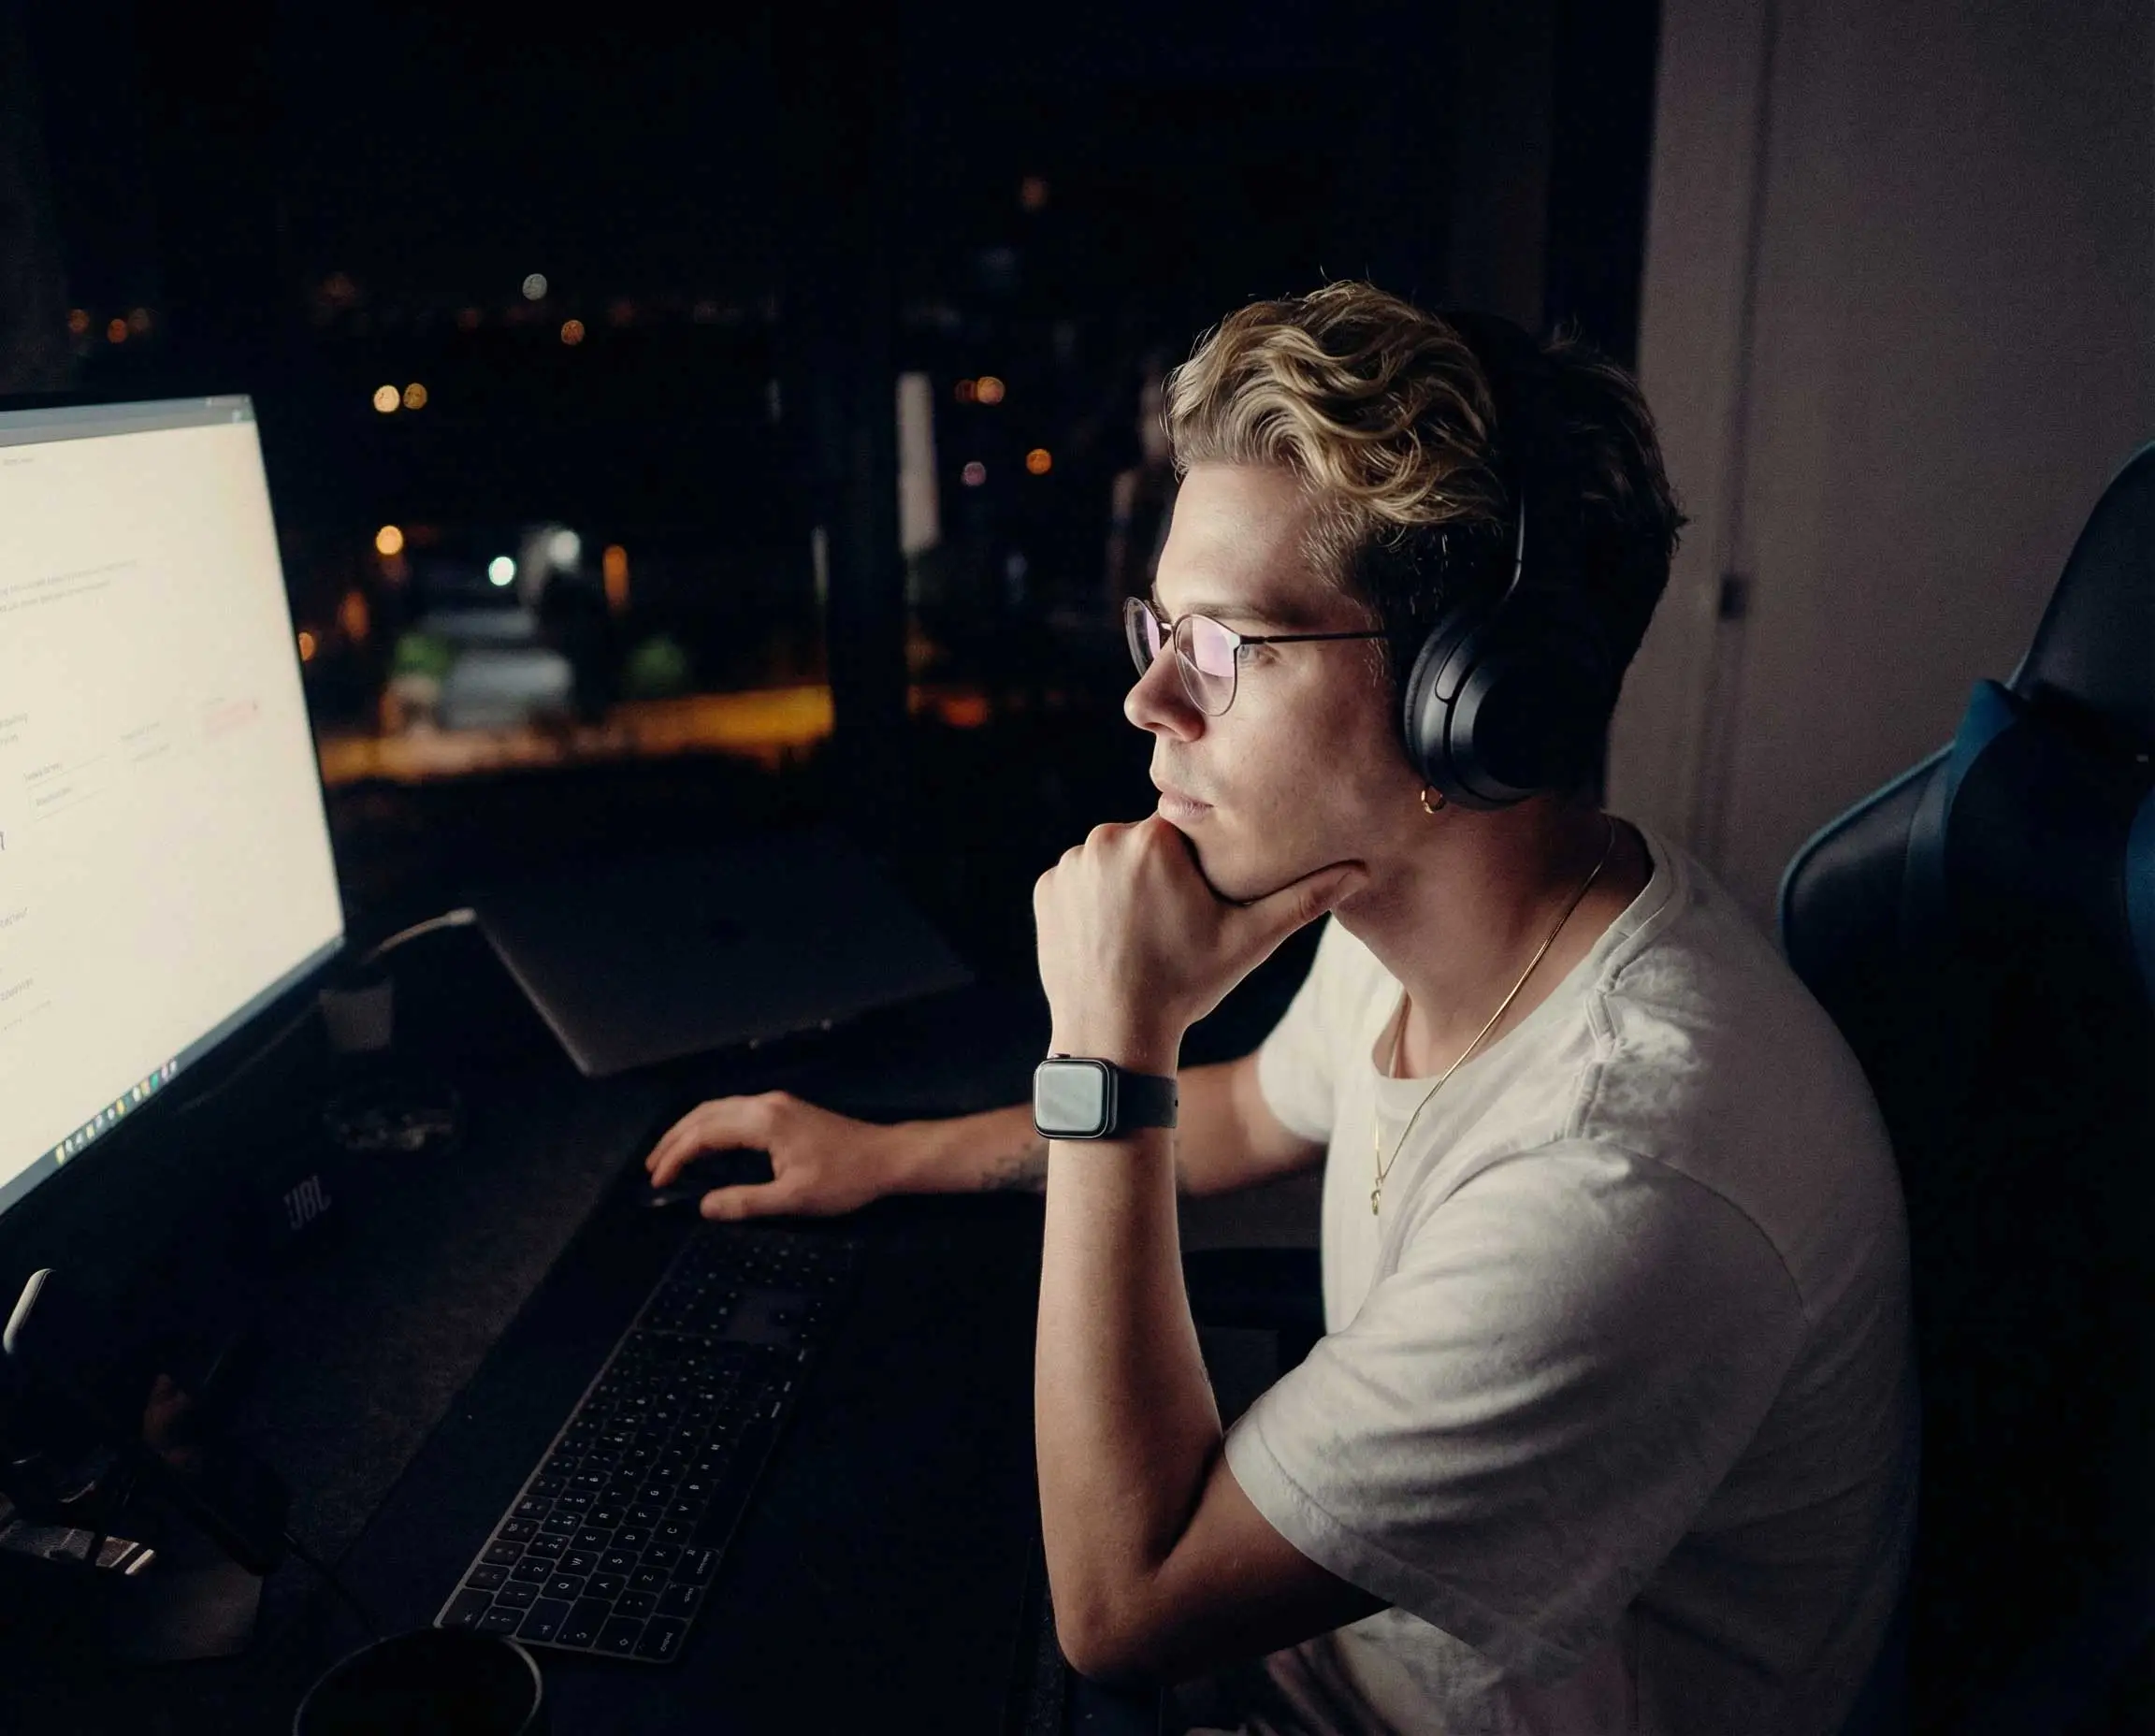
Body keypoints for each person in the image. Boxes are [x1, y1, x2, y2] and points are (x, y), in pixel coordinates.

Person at [644, 282, 1916, 1734]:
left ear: (1469, 703)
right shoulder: (1410, 912)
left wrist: (1109, 1047)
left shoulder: (1622, 1177)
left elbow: (1124, 1610)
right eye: (1160, 627)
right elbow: (1255, 1107)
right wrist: (884, 1152)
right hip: (1334, 1648)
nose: (1150, 703)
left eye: (1228, 646)